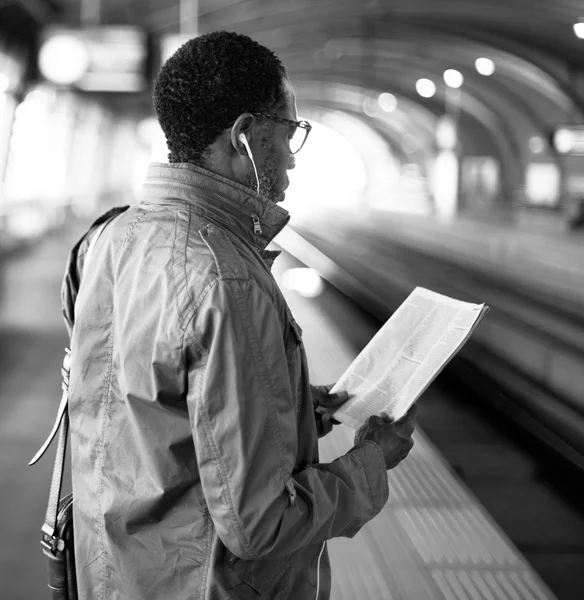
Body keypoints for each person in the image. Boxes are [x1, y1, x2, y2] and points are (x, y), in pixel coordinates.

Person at [63, 31, 417, 600]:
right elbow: (260, 524)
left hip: (118, 572)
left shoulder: (114, 236)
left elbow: (155, 413)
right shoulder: (225, 279)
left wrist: (294, 405)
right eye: (290, 132)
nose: (293, 160)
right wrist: (373, 461)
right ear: (245, 136)